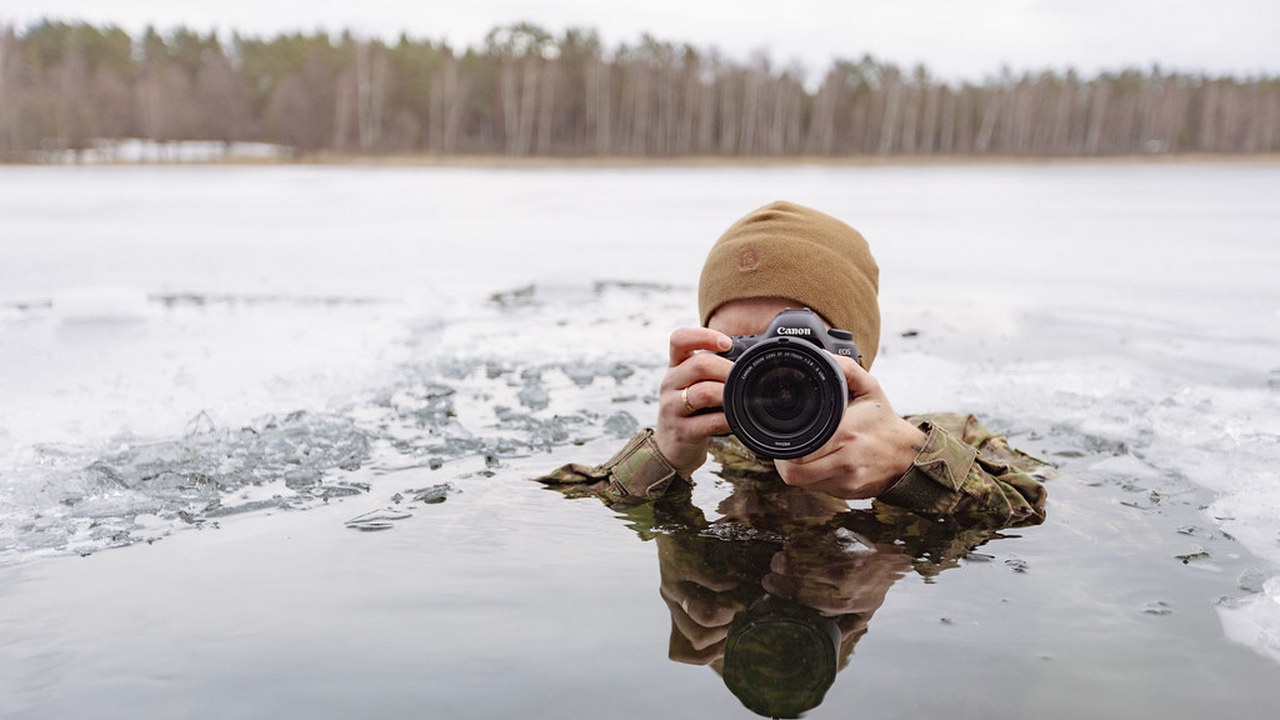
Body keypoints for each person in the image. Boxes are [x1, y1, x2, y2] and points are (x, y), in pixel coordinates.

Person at [538, 200, 1048, 528]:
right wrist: (665, 459)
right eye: (740, 348)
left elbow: (1045, 512)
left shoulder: (951, 442)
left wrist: (910, 467)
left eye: (796, 346)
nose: (772, 371)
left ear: (855, 353)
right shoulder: (701, 450)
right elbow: (550, 510)